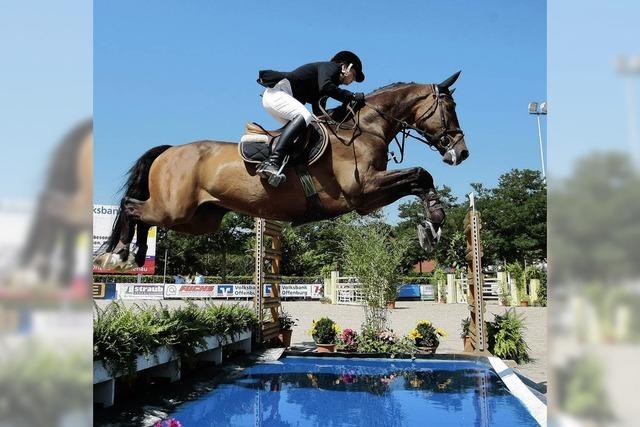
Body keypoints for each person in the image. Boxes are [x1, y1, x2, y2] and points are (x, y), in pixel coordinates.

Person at [255, 51, 366, 184]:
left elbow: (319, 110)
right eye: (354, 75)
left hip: (276, 98)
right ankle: (272, 162)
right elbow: (326, 87)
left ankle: (282, 167)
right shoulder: (331, 67)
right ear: (346, 67)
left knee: (310, 127)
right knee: (304, 116)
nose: (353, 80)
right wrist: (351, 96)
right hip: (277, 94)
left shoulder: (326, 82)